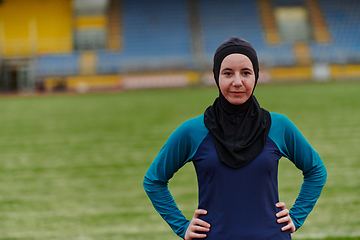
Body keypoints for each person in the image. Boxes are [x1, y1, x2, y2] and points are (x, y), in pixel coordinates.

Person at [143, 37, 327, 240]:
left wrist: (296, 216)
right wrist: (182, 226)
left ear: (255, 76)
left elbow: (316, 170)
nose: (237, 82)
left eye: (246, 73)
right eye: (228, 73)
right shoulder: (192, 130)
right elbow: (154, 180)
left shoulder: (278, 126)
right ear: (216, 76)